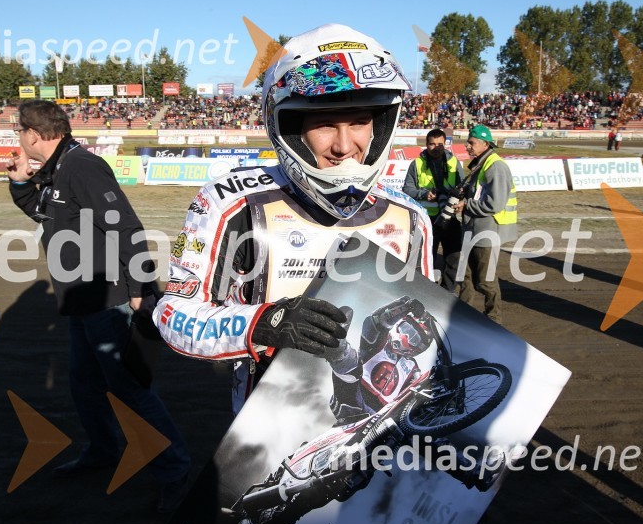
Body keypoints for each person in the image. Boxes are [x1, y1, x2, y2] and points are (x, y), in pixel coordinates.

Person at [153, 24, 433, 415]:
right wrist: (265, 323)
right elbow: (172, 315)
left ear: (382, 123)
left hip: (374, 413)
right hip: (267, 425)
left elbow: (428, 314)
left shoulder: (410, 218)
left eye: (359, 122)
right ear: (288, 126)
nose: (344, 145)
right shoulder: (229, 203)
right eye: (323, 123)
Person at [5, 100, 190, 513]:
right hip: (82, 303)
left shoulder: (81, 167)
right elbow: (44, 212)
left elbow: (127, 226)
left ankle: (175, 470)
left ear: (34, 135)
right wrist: (21, 183)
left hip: (108, 301)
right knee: (84, 385)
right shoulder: (57, 171)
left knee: (128, 390)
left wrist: (143, 286)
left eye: (19, 132)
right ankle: (105, 450)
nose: (18, 140)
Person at [454, 125, 517, 324]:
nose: (467, 146)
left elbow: (494, 204)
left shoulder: (496, 167)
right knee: (466, 275)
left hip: (487, 231)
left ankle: (494, 318)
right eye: (468, 141)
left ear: (485, 144)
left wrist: (467, 204)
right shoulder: (481, 164)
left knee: (485, 280)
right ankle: (465, 315)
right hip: (474, 229)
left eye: (472, 142)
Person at [403, 129, 465, 291]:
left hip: (449, 217)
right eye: (432, 144)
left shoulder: (453, 162)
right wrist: (424, 194)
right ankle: (427, 291)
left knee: (454, 258)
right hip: (427, 221)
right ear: (426, 144)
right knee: (425, 259)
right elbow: (407, 189)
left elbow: (463, 187)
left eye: (440, 144)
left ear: (445, 144)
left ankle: (448, 292)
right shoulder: (416, 164)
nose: (436, 147)